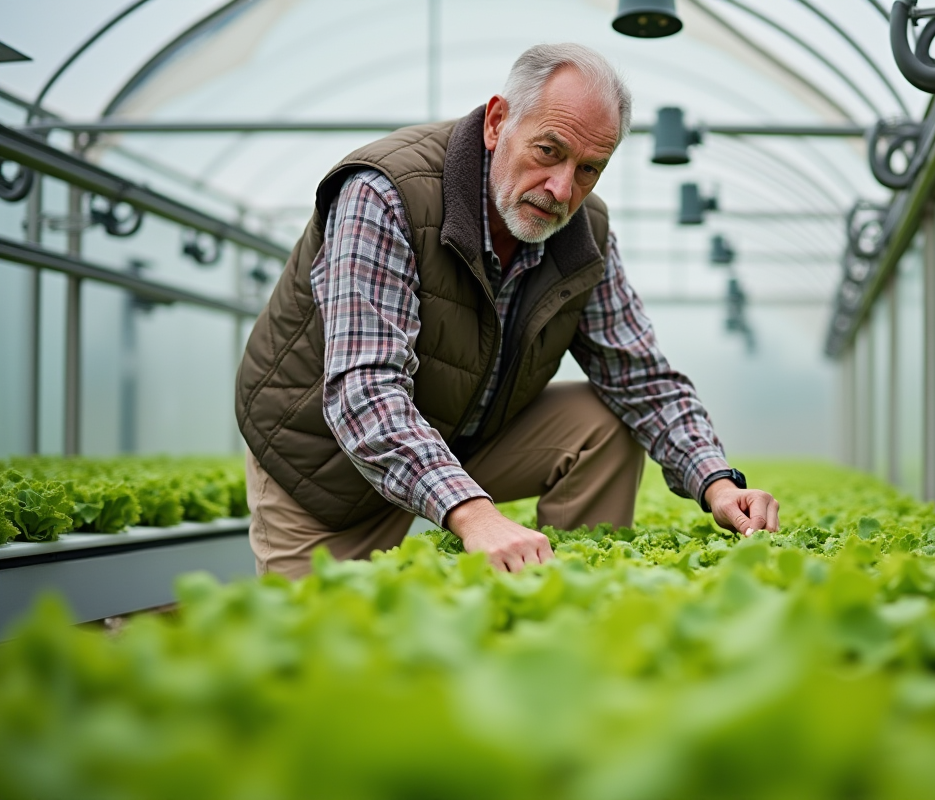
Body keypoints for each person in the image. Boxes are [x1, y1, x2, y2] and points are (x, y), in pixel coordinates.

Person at [235, 43, 780, 578]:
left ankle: (566, 598)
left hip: (456, 437)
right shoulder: (385, 192)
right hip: (323, 465)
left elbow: (640, 377)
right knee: (317, 648)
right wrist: (474, 515)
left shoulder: (582, 229)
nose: (562, 189)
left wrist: (718, 482)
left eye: (589, 168)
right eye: (549, 150)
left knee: (603, 421)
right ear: (497, 123)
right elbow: (365, 390)